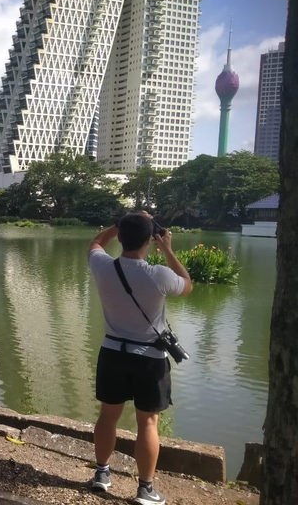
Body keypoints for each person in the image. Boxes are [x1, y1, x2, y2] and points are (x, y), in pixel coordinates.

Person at [86, 212, 192, 505]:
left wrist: (117, 224)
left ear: (120, 237)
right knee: (148, 423)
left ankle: (102, 474)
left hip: (112, 352)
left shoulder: (102, 266)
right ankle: (145, 490)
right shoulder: (159, 275)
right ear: (150, 240)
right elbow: (187, 283)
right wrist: (167, 249)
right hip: (149, 358)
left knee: (108, 415)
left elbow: (96, 243)